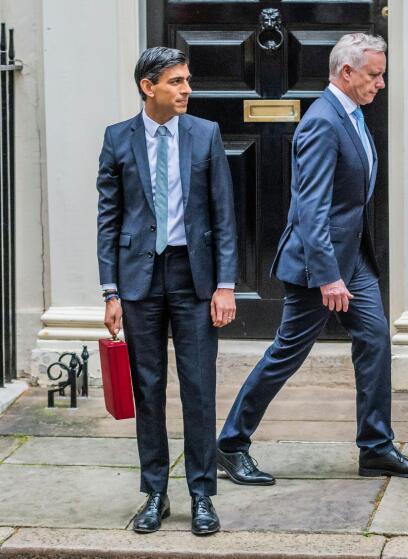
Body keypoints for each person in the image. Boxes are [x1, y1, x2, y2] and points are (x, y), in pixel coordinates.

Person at [216, 33, 408, 484]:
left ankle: (375, 447)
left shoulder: (352, 114)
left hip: (353, 257)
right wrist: (329, 277)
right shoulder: (322, 122)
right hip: (322, 266)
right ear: (346, 72)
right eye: (374, 75)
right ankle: (230, 444)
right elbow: (310, 209)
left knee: (375, 342)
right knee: (287, 353)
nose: (381, 83)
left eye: (382, 74)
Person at [97, 46, 237, 534]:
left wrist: (225, 284)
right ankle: (155, 491)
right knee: (148, 388)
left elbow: (223, 214)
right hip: (138, 280)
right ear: (147, 86)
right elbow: (109, 220)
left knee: (198, 388)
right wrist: (110, 291)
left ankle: (202, 494)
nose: (186, 90)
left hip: (192, 276)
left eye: (187, 81)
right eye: (177, 81)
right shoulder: (118, 138)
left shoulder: (205, 135)